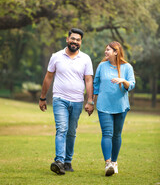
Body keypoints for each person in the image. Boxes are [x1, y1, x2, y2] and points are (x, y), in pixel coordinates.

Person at [39, 28, 94, 175]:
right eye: (73, 38)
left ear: (80, 42)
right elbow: (48, 77)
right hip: (59, 99)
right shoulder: (56, 56)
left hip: (77, 101)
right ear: (67, 39)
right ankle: (59, 161)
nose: (75, 41)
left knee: (71, 132)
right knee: (62, 129)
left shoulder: (86, 59)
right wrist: (42, 97)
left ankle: (68, 161)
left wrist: (90, 101)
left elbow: (89, 80)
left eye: (78, 40)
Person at [93, 41, 135, 176]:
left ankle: (114, 162)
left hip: (121, 106)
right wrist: (91, 101)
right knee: (107, 134)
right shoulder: (101, 66)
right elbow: (96, 84)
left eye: (108, 50)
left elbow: (132, 85)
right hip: (104, 106)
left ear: (116, 52)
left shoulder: (127, 67)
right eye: (105, 50)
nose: (106, 52)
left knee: (117, 135)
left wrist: (123, 81)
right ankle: (108, 163)